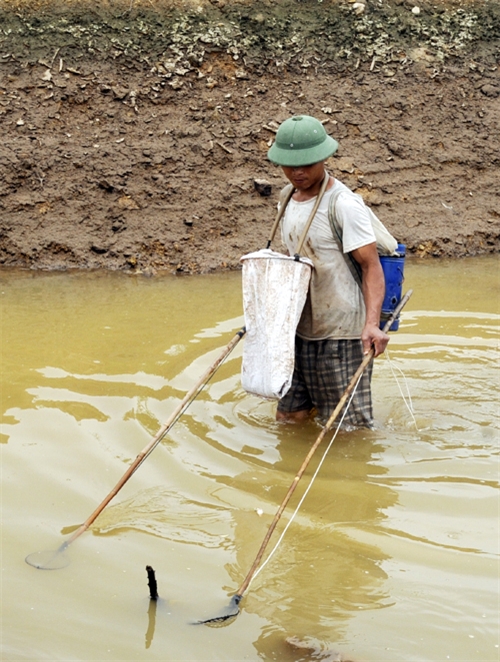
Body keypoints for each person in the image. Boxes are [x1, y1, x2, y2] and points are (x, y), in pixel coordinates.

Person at [267, 114, 389, 428]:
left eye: (306, 164)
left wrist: (372, 326)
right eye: (290, 165)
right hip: (298, 328)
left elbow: (371, 265)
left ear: (324, 158)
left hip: (342, 332)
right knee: (288, 418)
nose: (297, 172)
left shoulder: (344, 205)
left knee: (348, 429)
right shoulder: (286, 197)